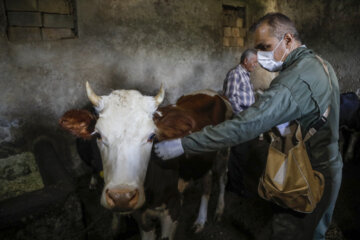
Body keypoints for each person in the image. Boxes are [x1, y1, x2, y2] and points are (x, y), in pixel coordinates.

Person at [154, 13, 342, 240]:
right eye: (258, 49)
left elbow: (247, 124)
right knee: (316, 230)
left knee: (294, 231)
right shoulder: (321, 64)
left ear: (289, 40)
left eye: (266, 46)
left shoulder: (293, 80)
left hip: (305, 174)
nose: (261, 55)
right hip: (328, 165)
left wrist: (185, 144)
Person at [222, 49, 258, 197]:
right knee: (238, 153)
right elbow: (231, 98)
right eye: (254, 62)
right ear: (245, 61)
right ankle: (234, 188)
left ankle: (239, 184)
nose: (256, 65)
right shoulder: (235, 74)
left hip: (247, 118)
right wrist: (243, 117)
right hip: (240, 119)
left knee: (244, 153)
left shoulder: (245, 74)